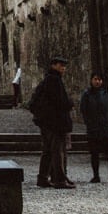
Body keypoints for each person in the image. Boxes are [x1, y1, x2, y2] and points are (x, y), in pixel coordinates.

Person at [32, 56, 75, 189]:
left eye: (64, 65)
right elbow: (60, 102)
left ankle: (43, 178)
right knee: (57, 150)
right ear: (54, 65)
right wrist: (70, 104)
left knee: (47, 150)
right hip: (54, 122)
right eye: (61, 65)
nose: (63, 68)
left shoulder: (47, 80)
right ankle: (59, 179)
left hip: (46, 122)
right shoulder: (54, 80)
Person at [80, 71, 108, 184]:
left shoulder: (107, 93)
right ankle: (96, 176)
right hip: (94, 129)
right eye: (95, 79)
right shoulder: (87, 94)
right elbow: (83, 109)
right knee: (94, 153)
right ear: (91, 80)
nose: (97, 81)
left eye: (99, 79)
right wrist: (88, 122)